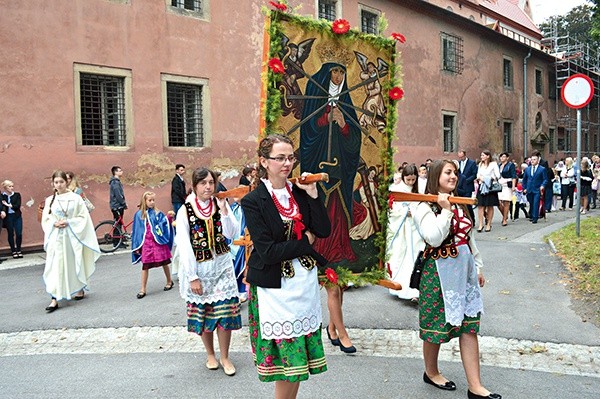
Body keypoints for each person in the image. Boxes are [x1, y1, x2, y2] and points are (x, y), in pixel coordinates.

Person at [241, 134, 331, 399]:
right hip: (275, 290)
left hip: (303, 287)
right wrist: (305, 243)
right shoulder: (254, 201)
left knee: (298, 364)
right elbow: (268, 252)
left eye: (290, 157)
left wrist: (314, 195)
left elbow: (323, 230)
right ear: (264, 161)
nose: (287, 163)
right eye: (279, 158)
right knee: (287, 366)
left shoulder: (299, 191)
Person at [412, 160, 501, 399]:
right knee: (436, 327)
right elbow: (433, 238)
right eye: (448, 172)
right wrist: (446, 211)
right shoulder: (424, 206)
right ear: (435, 176)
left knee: (469, 327)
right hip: (438, 272)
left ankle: (476, 386)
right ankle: (431, 372)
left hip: (464, 272)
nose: (453, 176)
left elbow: (469, 238)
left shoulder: (460, 203)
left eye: (455, 173)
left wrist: (478, 266)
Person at [175, 167, 241, 377]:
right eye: (203, 183)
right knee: (204, 314)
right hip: (200, 270)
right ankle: (210, 354)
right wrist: (192, 276)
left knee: (224, 314)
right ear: (195, 186)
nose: (208, 187)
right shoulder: (185, 210)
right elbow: (184, 245)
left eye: (211, 182)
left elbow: (233, 233)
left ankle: (225, 356)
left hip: (221, 267)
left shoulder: (219, 203)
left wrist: (223, 210)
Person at [300, 56, 361, 264]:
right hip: (317, 163)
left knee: (338, 210)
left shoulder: (346, 102)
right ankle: (317, 249)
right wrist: (324, 119)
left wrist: (344, 125)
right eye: (335, 72)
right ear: (327, 74)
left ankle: (340, 248)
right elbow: (306, 131)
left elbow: (355, 140)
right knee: (319, 208)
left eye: (342, 72)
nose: (338, 76)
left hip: (340, 168)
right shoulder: (315, 93)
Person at [41, 170, 100, 312]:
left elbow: (83, 217)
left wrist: (69, 222)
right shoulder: (50, 200)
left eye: (61, 182)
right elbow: (46, 219)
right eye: (56, 182)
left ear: (66, 182)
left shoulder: (75, 198)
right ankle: (54, 297)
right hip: (56, 237)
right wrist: (54, 224)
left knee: (73, 263)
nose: (59, 185)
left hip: (72, 237)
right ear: (52, 183)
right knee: (54, 266)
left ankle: (78, 287)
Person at [387, 164, 423, 301]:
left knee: (415, 257)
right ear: (403, 178)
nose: (411, 182)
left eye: (413, 180)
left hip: (415, 229)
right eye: (408, 180)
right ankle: (401, 287)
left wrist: (414, 212)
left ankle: (415, 290)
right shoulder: (396, 189)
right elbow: (392, 210)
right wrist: (404, 212)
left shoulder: (419, 189)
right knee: (401, 256)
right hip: (401, 229)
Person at [131, 191, 174, 299]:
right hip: (146, 244)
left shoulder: (157, 213)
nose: (152, 202)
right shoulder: (139, 215)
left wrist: (168, 217)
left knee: (165, 262)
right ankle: (143, 289)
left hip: (157, 242)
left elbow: (163, 223)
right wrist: (137, 246)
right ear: (144, 201)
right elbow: (137, 232)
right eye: (150, 200)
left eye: (153, 200)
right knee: (145, 266)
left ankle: (169, 281)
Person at [475, 150, 500, 232]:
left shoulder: (493, 164)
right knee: (480, 206)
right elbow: (478, 175)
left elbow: (498, 175)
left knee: (490, 206)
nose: (481, 157)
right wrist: (481, 178)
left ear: (488, 156)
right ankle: (481, 224)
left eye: (483, 155)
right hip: (482, 186)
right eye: (481, 155)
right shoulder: (480, 164)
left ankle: (489, 224)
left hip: (490, 187)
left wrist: (487, 178)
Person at [522, 153, 547, 224]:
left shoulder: (542, 169)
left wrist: (542, 185)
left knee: (536, 203)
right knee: (531, 203)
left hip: (537, 189)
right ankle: (532, 215)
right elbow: (525, 179)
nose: (532, 161)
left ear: (538, 161)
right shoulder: (527, 169)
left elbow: (545, 179)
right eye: (531, 160)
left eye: (534, 159)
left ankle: (535, 218)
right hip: (529, 189)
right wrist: (524, 188)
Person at [2, 180, 24, 258]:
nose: (11, 188)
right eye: (9, 186)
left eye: (12, 186)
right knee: (10, 233)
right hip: (8, 217)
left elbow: (17, 206)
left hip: (17, 216)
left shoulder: (17, 195)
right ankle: (13, 251)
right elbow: (2, 206)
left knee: (19, 233)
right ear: (5, 187)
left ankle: (19, 249)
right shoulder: (2, 196)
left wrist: (8, 205)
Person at [457, 150, 478, 221]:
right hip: (460, 187)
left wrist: (466, 180)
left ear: (465, 155)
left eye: (462, 157)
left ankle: (472, 219)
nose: (461, 158)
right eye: (459, 157)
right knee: (461, 204)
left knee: (467, 204)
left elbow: (474, 174)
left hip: (468, 186)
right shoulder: (458, 163)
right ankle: (465, 219)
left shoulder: (472, 163)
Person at [496, 153, 517, 226]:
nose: (502, 158)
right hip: (499, 185)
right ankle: (505, 214)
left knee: (506, 202)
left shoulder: (511, 165)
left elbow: (514, 176)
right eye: (501, 156)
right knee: (497, 202)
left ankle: (504, 219)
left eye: (504, 156)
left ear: (507, 158)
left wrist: (513, 186)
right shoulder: (498, 165)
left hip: (507, 185)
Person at [109, 166, 127, 246]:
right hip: (117, 206)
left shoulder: (116, 182)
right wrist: (123, 203)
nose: (121, 172)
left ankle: (118, 241)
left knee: (118, 223)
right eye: (120, 171)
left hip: (116, 205)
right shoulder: (115, 182)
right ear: (115, 172)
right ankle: (116, 242)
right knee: (117, 224)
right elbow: (118, 195)